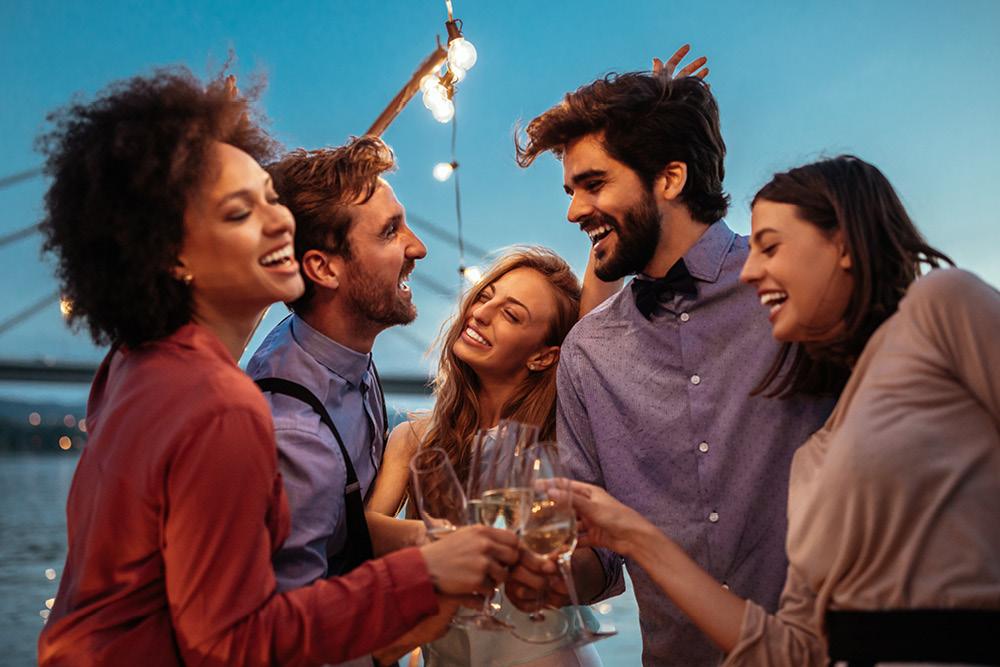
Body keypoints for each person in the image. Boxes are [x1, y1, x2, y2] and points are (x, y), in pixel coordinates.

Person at [36, 68, 519, 666]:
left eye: (271, 199)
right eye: (241, 213)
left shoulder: (135, 362)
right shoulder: (228, 407)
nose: (281, 222)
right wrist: (422, 574)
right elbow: (233, 646)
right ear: (171, 256)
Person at [557, 155, 1000, 665]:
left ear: (842, 243)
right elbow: (794, 650)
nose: (748, 271)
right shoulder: (814, 455)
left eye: (769, 246)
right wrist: (637, 538)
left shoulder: (940, 307)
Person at [509, 62, 835, 665]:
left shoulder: (791, 290)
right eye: (570, 190)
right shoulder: (587, 353)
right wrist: (547, 575)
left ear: (670, 178)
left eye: (594, 183)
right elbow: (597, 560)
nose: (574, 211)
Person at [367, 247, 601, 666]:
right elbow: (361, 532)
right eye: (485, 295)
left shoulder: (558, 439)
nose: (481, 312)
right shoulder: (416, 438)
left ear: (544, 356)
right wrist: (439, 541)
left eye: (512, 315)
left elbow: (599, 334)